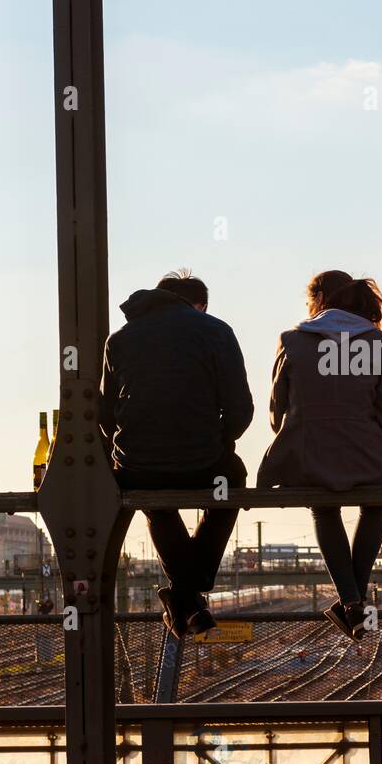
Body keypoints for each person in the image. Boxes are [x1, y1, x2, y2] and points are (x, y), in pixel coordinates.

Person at [100, 270, 253, 639]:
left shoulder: (119, 339)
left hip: (138, 465)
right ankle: (188, 593)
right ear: (198, 305)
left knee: (155, 500)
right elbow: (240, 409)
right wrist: (219, 442)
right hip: (203, 461)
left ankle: (187, 598)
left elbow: (104, 415)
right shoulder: (216, 331)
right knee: (232, 479)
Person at [258, 270, 382, 638]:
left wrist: (299, 434)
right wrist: (364, 437)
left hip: (308, 452)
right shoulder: (379, 343)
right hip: (367, 454)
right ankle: (354, 599)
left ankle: (352, 602)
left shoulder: (292, 340)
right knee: (376, 503)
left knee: (324, 507)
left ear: (318, 298)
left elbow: (276, 411)